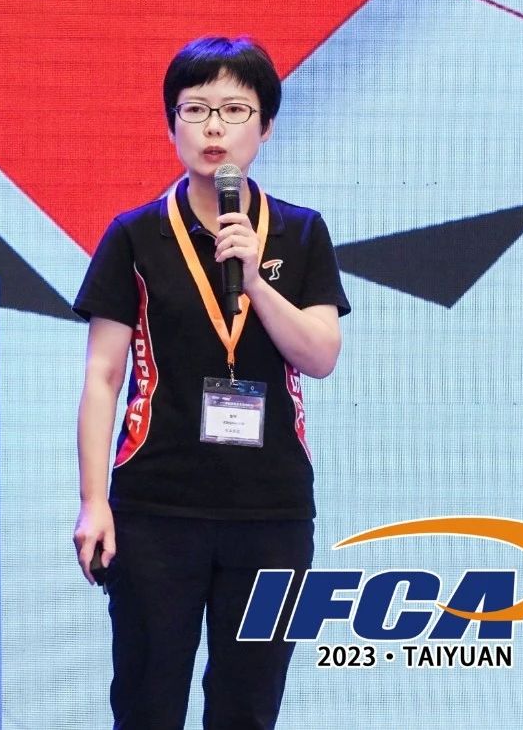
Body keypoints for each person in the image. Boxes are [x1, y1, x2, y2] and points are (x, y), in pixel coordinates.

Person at [71, 36, 351, 729]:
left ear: (266, 126)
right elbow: (103, 377)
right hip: (156, 507)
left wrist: (255, 280)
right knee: (147, 704)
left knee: (248, 708)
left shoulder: (299, 233)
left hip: (271, 511)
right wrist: (93, 503)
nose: (213, 127)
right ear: (172, 125)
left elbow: (320, 355)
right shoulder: (135, 235)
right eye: (195, 109)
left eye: (234, 109)